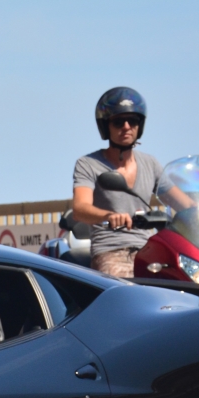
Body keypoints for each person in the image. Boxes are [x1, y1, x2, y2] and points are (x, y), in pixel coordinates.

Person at [72, 86, 163, 279]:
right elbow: (80, 208)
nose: (127, 127)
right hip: (111, 250)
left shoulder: (151, 163)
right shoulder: (88, 164)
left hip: (149, 250)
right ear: (106, 126)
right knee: (123, 290)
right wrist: (110, 215)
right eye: (118, 122)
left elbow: (181, 200)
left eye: (133, 120)